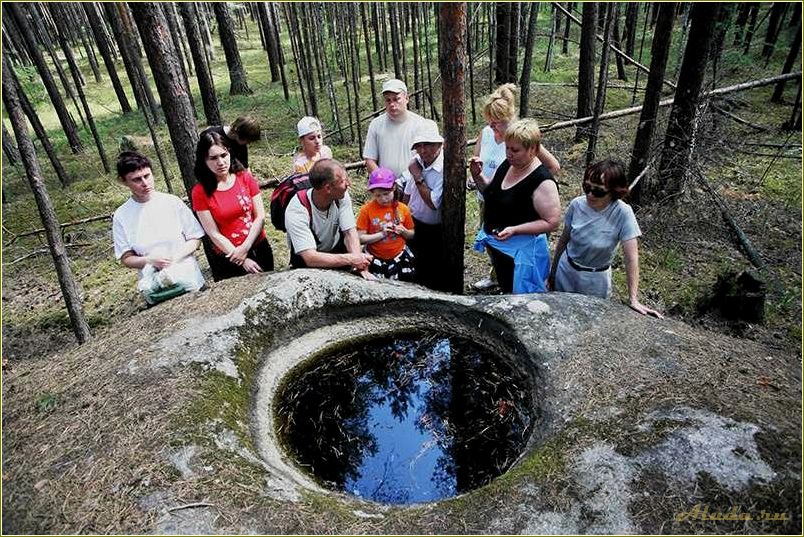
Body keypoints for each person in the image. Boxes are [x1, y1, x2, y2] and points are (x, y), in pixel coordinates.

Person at [469, 84, 561, 291]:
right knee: (507, 285)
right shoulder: (507, 163)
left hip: (523, 252)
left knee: (523, 291)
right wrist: (476, 175)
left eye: (514, 150)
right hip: (501, 245)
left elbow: (552, 221)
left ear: (532, 150)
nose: (508, 153)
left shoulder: (541, 180)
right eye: (507, 149)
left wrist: (516, 228)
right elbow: (491, 191)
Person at [548, 159, 663, 318]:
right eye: (586, 187)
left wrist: (633, 299)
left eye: (598, 191)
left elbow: (631, 258)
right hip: (566, 272)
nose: (590, 194)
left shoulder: (623, 213)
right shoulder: (576, 205)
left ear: (614, 192)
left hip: (596, 281)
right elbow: (563, 241)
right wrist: (552, 275)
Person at [112, 151, 205, 304]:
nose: (144, 183)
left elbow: (194, 239)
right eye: (136, 179)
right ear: (124, 181)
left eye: (147, 176)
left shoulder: (172, 202)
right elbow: (126, 258)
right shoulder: (122, 215)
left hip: (190, 280)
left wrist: (173, 258)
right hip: (156, 289)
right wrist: (150, 260)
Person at [191, 131, 274, 281]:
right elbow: (213, 233)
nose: (221, 162)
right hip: (228, 257)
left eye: (224, 155)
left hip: (258, 247)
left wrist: (246, 247)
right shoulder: (200, 192)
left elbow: (260, 216)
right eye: (213, 158)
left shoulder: (245, 177)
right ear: (204, 160)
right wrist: (241, 258)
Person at [285, 158, 374, 279]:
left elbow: (349, 232)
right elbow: (310, 258)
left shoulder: (341, 195)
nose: (349, 184)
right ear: (328, 188)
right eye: (343, 181)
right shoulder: (297, 209)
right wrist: (351, 259)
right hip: (307, 261)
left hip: (336, 249)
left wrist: (359, 263)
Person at [400, 120, 446, 291]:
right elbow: (408, 190)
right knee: (413, 264)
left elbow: (434, 203)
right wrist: (401, 214)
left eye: (427, 144)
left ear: (439, 144)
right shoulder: (418, 161)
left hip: (433, 228)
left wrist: (418, 176)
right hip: (412, 221)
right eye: (419, 145)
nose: (422, 150)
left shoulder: (444, 167)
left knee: (431, 269)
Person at [363, 78, 427, 194]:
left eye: (397, 99)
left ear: (406, 98)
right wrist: (385, 183)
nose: (392, 104)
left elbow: (426, 158)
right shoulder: (376, 125)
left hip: (415, 187)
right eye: (388, 100)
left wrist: (407, 180)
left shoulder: (420, 124)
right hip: (386, 191)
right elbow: (370, 159)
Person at [356, 167, 416, 281]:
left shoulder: (403, 209)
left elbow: (411, 234)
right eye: (378, 195)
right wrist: (381, 234)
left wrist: (404, 231)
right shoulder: (366, 210)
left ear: (393, 188)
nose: (383, 199)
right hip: (376, 257)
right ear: (372, 193)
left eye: (386, 194)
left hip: (399, 256)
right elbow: (360, 238)